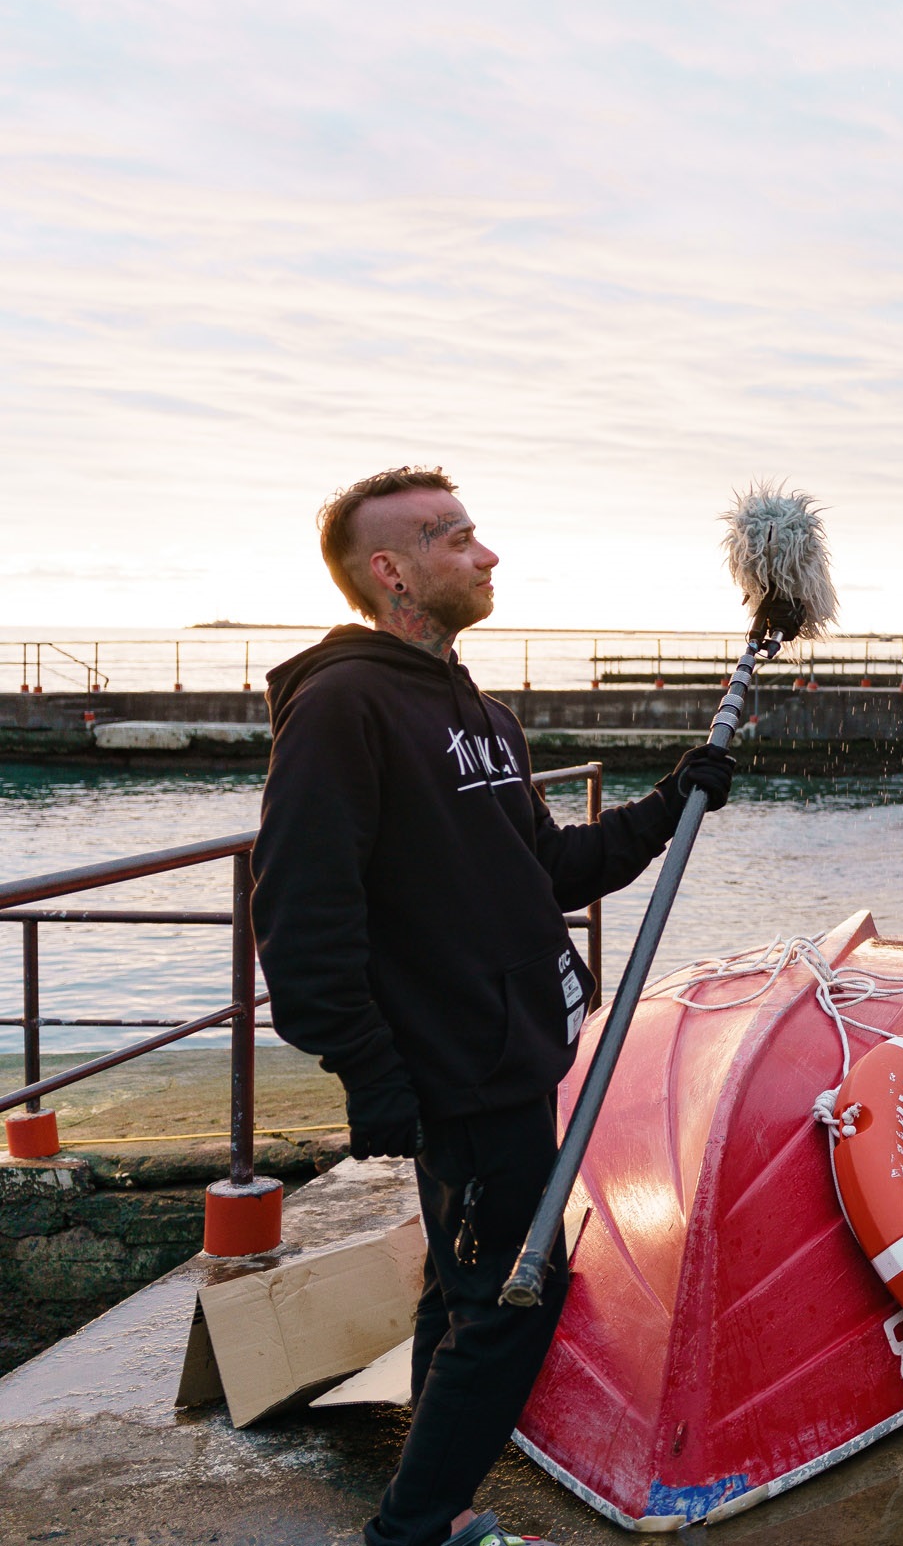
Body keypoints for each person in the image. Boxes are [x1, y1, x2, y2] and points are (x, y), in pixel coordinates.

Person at [252, 466, 733, 1546]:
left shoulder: (482, 712)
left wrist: (673, 800)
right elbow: (298, 917)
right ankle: (414, 1525)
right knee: (513, 1299)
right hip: (451, 1071)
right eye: (455, 537)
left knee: (460, 1288)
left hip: (517, 1052)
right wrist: (369, 1073)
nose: (487, 553)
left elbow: (546, 872)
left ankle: (439, 1495)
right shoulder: (343, 708)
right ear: (392, 572)